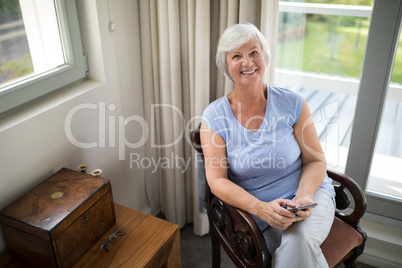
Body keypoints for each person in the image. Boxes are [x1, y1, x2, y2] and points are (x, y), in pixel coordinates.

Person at [200, 22, 336, 267]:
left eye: (254, 52)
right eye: (236, 56)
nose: (248, 62)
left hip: (309, 195)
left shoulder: (293, 102)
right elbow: (216, 180)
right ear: (226, 64)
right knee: (294, 254)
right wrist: (261, 208)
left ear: (265, 56)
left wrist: (304, 196)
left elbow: (315, 160)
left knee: (299, 241)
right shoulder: (214, 117)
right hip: (259, 213)